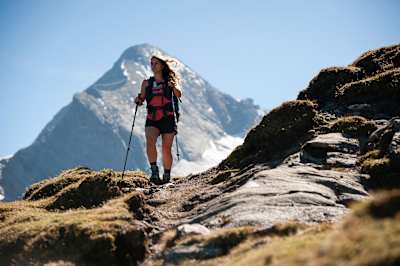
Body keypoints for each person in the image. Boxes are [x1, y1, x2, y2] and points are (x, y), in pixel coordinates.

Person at [134, 55, 182, 184]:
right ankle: (154, 172)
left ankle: (167, 175)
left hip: (168, 118)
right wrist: (138, 100)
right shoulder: (146, 83)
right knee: (150, 141)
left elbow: (179, 95)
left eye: (155, 63)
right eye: (151, 63)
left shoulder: (170, 81)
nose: (153, 66)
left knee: (166, 148)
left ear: (162, 65)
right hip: (152, 118)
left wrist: (173, 87)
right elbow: (142, 98)